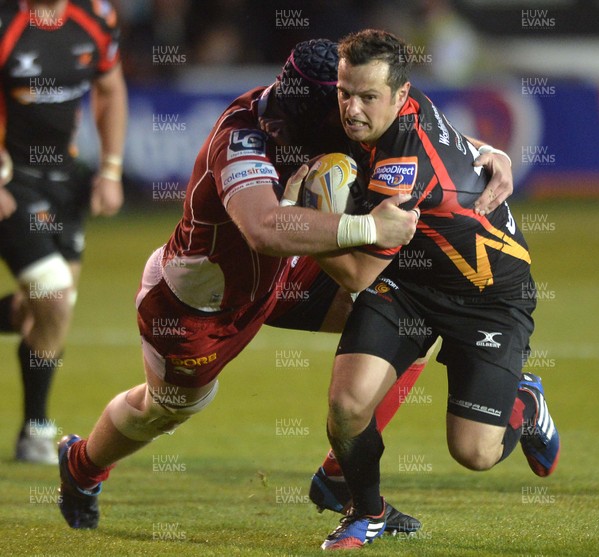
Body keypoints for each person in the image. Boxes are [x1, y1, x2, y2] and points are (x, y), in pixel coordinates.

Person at [55, 38, 513, 533]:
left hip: (286, 275)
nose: (276, 119)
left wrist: (482, 151)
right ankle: (81, 466)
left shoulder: (341, 106)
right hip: (201, 306)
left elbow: (412, 117)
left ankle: (342, 476)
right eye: (280, 105)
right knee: (163, 410)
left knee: (402, 315)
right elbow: (264, 227)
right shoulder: (243, 136)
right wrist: (369, 229)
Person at [316, 29, 560, 551]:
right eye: (344, 92)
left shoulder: (405, 172)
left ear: (400, 97)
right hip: (410, 280)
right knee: (347, 403)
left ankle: (527, 403)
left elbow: (355, 273)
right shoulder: (408, 102)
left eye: (367, 98)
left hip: (490, 298)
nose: (352, 109)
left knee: (473, 453)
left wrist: (306, 226)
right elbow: (453, 139)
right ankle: (367, 512)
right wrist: (489, 148)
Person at [0, 0, 127, 464]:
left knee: (49, 311)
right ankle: (36, 430)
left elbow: (110, 88)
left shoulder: (97, 17)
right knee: (52, 294)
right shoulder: (7, 21)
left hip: (66, 180)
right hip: (12, 178)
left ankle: (31, 429)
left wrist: (110, 170)